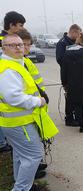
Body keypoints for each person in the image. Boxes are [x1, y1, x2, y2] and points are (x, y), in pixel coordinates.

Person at [0, 34, 58, 191]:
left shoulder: (14, 63)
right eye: (13, 45)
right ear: (4, 48)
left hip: (17, 122)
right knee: (33, 156)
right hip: (19, 122)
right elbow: (13, 97)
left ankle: (24, 185)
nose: (18, 48)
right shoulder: (9, 69)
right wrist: (37, 101)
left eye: (20, 44)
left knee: (20, 155)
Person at [17, 28, 49, 178]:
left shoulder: (25, 60)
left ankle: (33, 169)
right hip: (26, 111)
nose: (27, 48)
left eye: (29, 45)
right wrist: (38, 100)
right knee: (29, 152)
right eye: (24, 44)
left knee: (27, 150)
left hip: (36, 104)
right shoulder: (16, 65)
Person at [0, 11, 26, 153]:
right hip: (7, 87)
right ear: (11, 25)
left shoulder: (11, 39)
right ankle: (3, 143)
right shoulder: (3, 41)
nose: (21, 28)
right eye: (20, 25)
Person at [56, 24, 83, 126]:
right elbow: (60, 59)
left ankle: (79, 116)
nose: (80, 36)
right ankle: (69, 118)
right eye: (79, 34)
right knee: (70, 98)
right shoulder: (62, 43)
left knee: (79, 96)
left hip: (78, 75)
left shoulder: (75, 42)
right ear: (73, 32)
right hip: (69, 75)